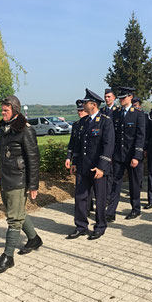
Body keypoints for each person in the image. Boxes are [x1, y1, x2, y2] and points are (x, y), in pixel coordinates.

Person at [0, 96, 41, 274]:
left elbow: (33, 159)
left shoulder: (25, 130)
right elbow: (0, 148)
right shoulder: (2, 126)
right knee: (17, 212)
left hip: (18, 179)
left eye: (6, 110)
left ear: (15, 109)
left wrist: (33, 186)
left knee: (13, 219)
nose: (2, 112)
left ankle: (8, 257)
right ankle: (34, 239)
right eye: (2, 109)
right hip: (4, 178)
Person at [68, 88, 115, 240]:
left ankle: (100, 226)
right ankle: (81, 226)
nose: (83, 104)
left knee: (100, 198)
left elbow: (108, 146)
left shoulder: (105, 122)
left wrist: (102, 167)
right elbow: (78, 145)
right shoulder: (83, 122)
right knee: (80, 197)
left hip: (97, 168)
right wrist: (75, 162)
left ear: (93, 105)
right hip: (83, 166)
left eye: (85, 102)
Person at [106, 86, 145, 222]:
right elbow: (113, 136)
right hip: (118, 155)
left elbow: (140, 137)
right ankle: (111, 212)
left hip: (132, 155)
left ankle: (135, 208)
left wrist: (137, 156)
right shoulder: (116, 114)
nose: (121, 100)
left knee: (134, 183)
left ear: (130, 97)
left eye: (124, 98)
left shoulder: (138, 114)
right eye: (120, 98)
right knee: (115, 183)